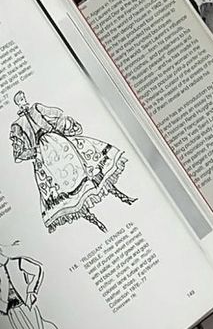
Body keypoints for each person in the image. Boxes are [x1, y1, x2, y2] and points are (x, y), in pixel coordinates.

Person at [9, 90, 136, 233]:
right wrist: (37, 151)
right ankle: (96, 221)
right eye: (20, 100)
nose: (23, 102)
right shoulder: (17, 126)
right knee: (68, 192)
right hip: (46, 159)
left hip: (62, 144)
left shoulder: (36, 108)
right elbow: (19, 152)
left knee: (91, 169)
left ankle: (121, 196)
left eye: (23, 99)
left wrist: (63, 129)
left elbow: (58, 116)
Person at [0, 244, 70, 329]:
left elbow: (37, 269)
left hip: (27, 305)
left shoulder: (17, 262)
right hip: (14, 312)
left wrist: (31, 290)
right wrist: (6, 307)